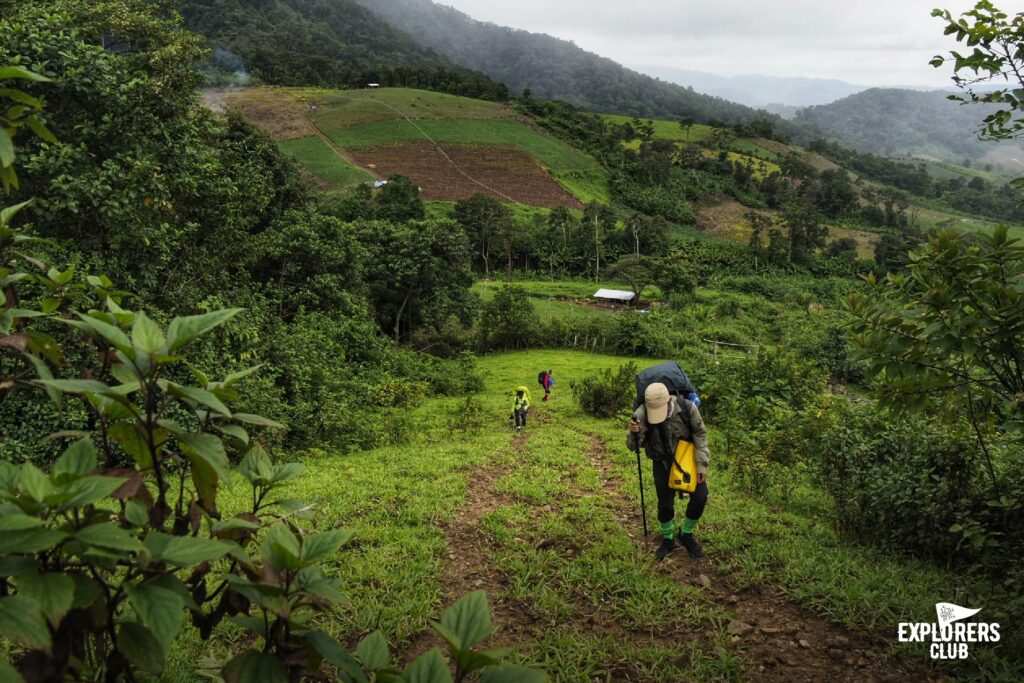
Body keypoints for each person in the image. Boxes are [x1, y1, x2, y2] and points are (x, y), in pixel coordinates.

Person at [626, 382, 710, 560]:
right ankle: (668, 538)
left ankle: (686, 533)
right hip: (661, 462)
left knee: (701, 496)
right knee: (664, 503)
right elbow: (633, 447)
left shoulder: (688, 408)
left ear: (668, 401)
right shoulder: (642, 413)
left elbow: (700, 435)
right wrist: (634, 433)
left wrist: (701, 464)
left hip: (687, 461)